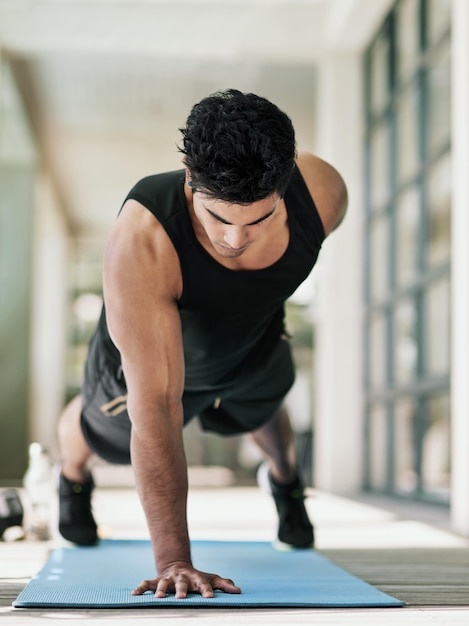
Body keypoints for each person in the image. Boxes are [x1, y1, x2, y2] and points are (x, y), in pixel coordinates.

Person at [57, 89, 347, 599]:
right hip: (148, 358)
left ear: (286, 184)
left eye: (256, 220)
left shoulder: (322, 196)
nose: (235, 240)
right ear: (191, 180)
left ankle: (286, 483)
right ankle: (71, 476)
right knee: (101, 432)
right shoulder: (143, 239)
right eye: (218, 218)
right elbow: (157, 408)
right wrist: (174, 560)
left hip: (248, 339)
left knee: (264, 403)